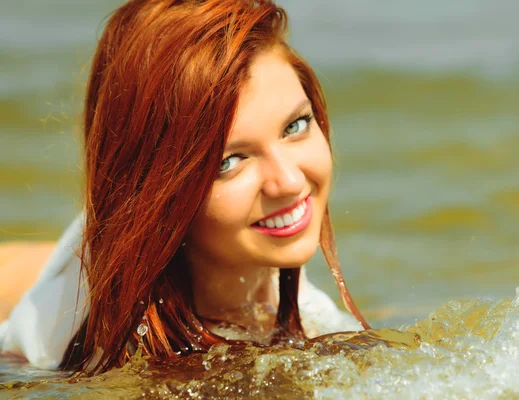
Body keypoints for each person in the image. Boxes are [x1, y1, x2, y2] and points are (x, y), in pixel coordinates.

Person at [0, 0, 370, 374]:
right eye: (229, 162)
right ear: (156, 194)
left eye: (295, 126)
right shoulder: (75, 353)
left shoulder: (269, 260)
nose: (289, 182)